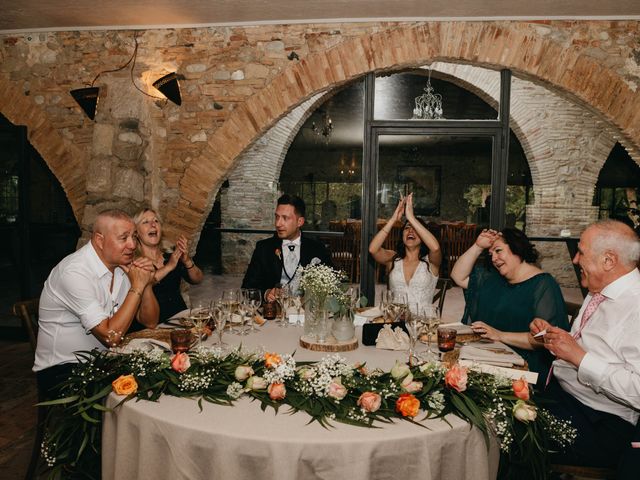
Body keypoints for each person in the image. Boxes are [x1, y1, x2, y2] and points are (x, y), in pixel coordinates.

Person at [530, 220, 640, 476]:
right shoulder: (597, 289)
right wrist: (558, 339)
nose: (576, 259)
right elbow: (596, 347)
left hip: (602, 422)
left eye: (581, 252)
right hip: (563, 397)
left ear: (609, 260)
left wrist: (579, 357)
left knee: (504, 435)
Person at [34, 209, 159, 397]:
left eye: (133, 237)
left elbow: (150, 321)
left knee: (162, 376)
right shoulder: (75, 272)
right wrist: (137, 287)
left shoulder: (118, 266)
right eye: (123, 238)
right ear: (100, 240)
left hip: (103, 361)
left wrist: (144, 282)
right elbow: (111, 336)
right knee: (147, 392)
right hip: (64, 372)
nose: (132, 245)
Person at [451, 227, 568, 385]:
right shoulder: (493, 279)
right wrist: (478, 246)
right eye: (491, 254)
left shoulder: (543, 285)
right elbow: (457, 276)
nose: (493, 259)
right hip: (490, 355)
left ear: (517, 248)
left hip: (524, 367)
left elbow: (545, 339)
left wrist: (499, 335)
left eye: (499, 251)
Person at [242, 194, 333, 301]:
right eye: (277, 217)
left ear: (300, 222)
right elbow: (247, 288)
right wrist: (266, 294)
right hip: (274, 313)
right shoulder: (263, 248)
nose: (278, 224)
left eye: (285, 218)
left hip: (305, 314)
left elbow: (332, 284)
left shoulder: (317, 249)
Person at [368, 193, 441, 313]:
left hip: (423, 324)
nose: (411, 231)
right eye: (407, 228)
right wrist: (393, 219)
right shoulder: (393, 259)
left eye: (415, 228)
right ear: (402, 235)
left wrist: (411, 217)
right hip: (396, 322)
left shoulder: (431, 261)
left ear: (423, 236)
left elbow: (436, 248)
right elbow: (373, 249)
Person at [133, 208, 203, 325]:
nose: (153, 225)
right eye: (145, 222)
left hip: (180, 320)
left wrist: (187, 260)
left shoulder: (170, 257)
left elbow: (198, 279)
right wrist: (169, 267)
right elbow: (144, 282)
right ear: (136, 232)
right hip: (153, 325)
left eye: (156, 221)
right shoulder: (135, 262)